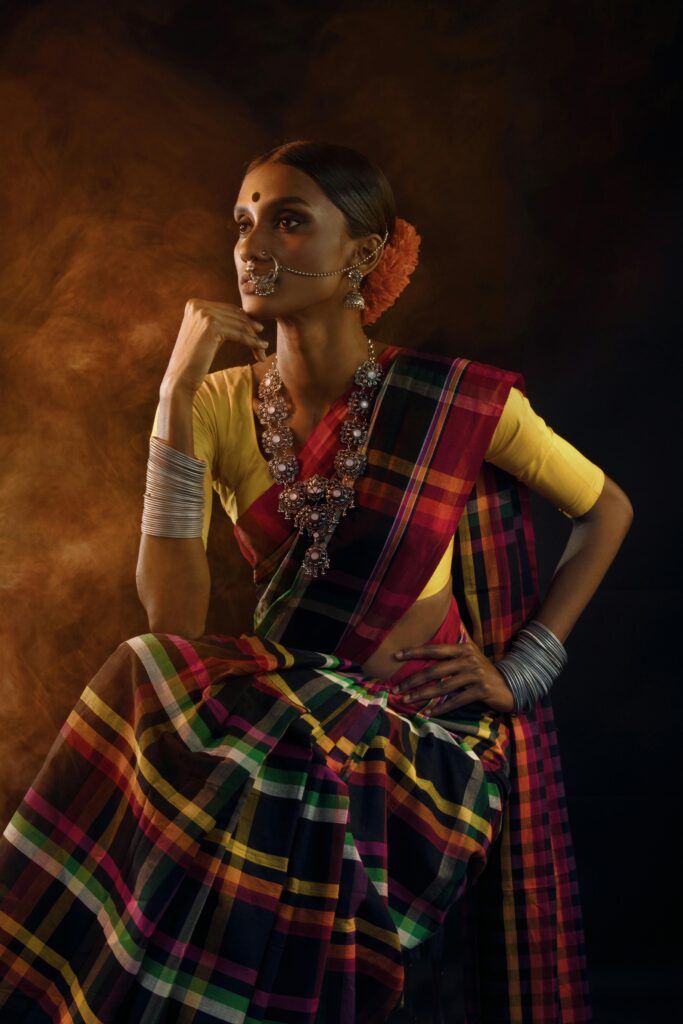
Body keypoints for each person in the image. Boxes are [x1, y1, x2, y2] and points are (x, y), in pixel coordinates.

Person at [0, 140, 632, 1024]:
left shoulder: (449, 399)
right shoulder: (218, 404)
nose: (253, 245)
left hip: (419, 737)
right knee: (153, 676)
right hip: (281, 708)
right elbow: (175, 630)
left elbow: (607, 510)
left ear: (363, 254)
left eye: (290, 220)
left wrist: (523, 669)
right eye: (244, 221)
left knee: (265, 764)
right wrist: (174, 396)